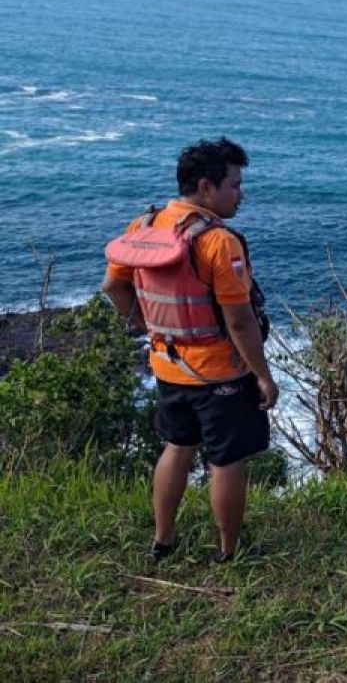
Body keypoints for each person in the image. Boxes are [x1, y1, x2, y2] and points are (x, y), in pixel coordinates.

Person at [101, 137, 278, 563]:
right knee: (227, 461)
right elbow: (239, 320)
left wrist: (151, 329)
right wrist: (263, 375)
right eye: (234, 184)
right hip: (219, 373)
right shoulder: (218, 242)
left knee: (177, 447)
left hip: (168, 365)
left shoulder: (144, 225)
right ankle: (228, 552)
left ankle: (163, 541)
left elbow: (113, 287)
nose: (241, 193)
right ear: (205, 187)